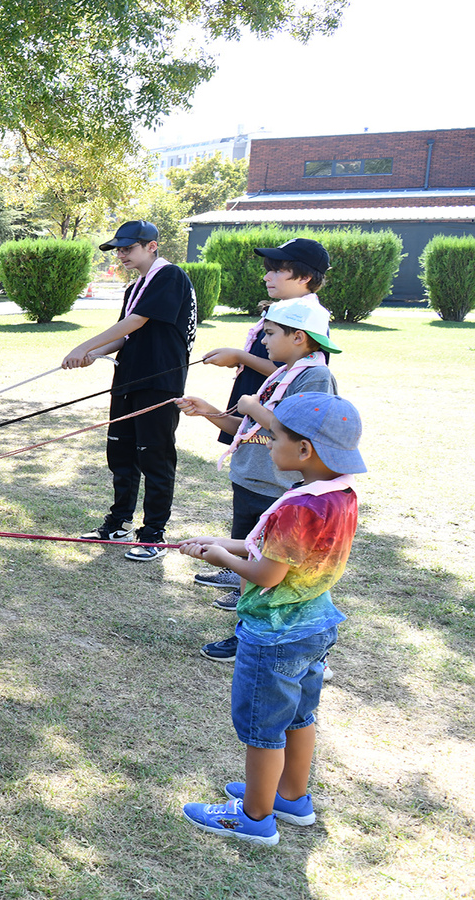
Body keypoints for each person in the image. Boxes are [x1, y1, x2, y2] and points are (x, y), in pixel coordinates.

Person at [177, 393, 364, 846]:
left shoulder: (298, 507)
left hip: (274, 635)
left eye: (273, 436)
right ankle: (291, 796)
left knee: (263, 727)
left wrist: (222, 557)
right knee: (299, 715)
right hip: (314, 626)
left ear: (304, 450)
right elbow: (278, 552)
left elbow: (267, 573)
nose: (267, 441)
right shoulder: (338, 493)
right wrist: (220, 542)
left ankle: (255, 816)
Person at [176, 240, 338, 666]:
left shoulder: (314, 378)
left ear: (298, 337)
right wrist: (210, 412)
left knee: (270, 571)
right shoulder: (277, 377)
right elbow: (248, 431)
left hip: (276, 485)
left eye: (268, 334)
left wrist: (251, 404)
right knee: (251, 558)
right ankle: (245, 633)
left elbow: (296, 434)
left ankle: (270, 641)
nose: (261, 342)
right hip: (250, 476)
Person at [62, 220, 197, 560]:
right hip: (127, 380)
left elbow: (137, 321)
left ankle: (153, 534)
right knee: (121, 455)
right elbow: (126, 335)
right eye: (118, 249)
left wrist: (84, 345)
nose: (121, 254)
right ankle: (119, 522)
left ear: (152, 246)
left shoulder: (170, 276)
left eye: (128, 248)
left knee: (155, 458)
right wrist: (94, 354)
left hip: (158, 383)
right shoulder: (134, 287)